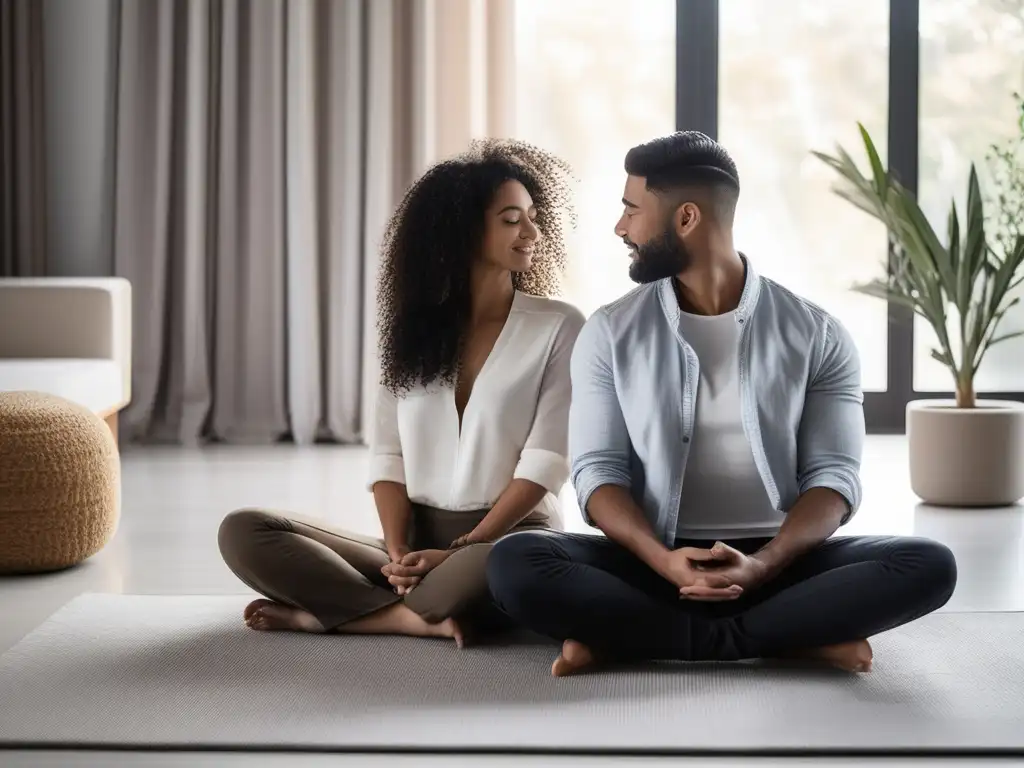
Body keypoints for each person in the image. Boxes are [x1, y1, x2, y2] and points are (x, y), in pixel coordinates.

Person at [486, 131, 958, 676]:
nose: (621, 228)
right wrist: (666, 562)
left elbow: (834, 477)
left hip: (779, 562)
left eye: (632, 210)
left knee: (927, 563)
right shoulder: (610, 332)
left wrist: (761, 565)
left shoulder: (818, 334)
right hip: (654, 559)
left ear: (686, 219)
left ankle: (637, 638)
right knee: (516, 561)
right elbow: (598, 472)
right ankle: (786, 638)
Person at [219, 139, 584, 645]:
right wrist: (395, 551)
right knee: (245, 531)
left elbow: (545, 462)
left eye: (532, 215)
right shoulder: (415, 330)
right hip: (417, 540)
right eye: (511, 219)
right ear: (463, 231)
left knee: (488, 574)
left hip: (510, 537)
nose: (532, 232)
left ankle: (340, 611)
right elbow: (388, 457)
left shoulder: (560, 326)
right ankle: (399, 615)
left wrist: (461, 549)